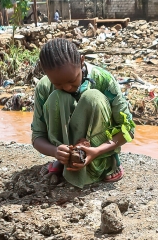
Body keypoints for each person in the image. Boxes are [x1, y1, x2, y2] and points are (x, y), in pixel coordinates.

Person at [31, 38, 134, 187]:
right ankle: (65, 162)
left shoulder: (104, 80)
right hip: (66, 154)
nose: (67, 87)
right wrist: (56, 151)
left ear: (81, 61)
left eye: (73, 81)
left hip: (98, 150)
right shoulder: (44, 87)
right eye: (58, 84)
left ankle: (106, 163)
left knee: (93, 98)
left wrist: (96, 151)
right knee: (56, 98)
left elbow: (128, 129)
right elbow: (37, 136)